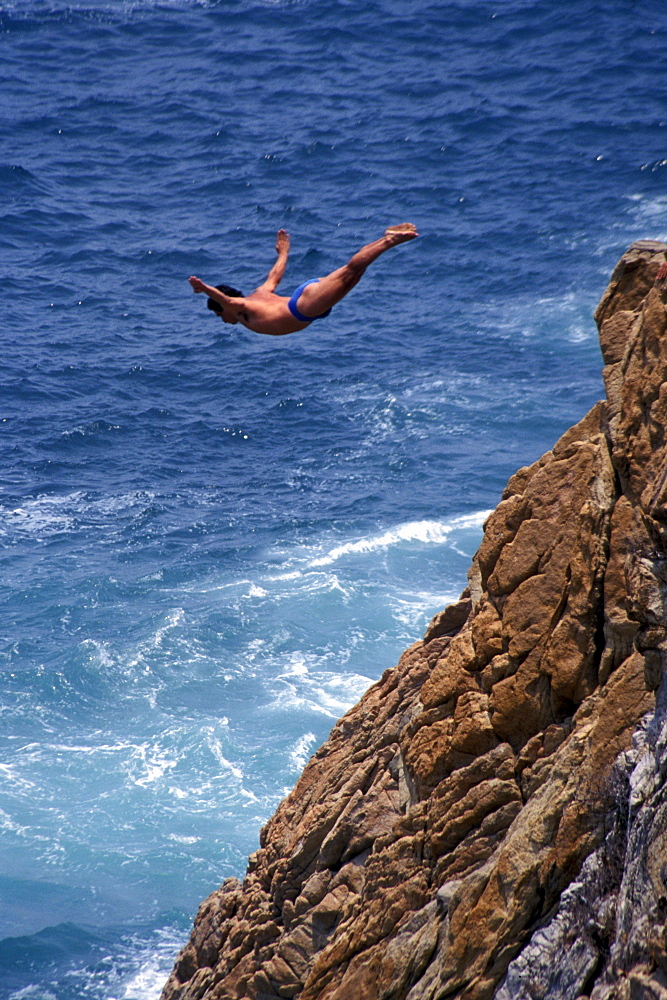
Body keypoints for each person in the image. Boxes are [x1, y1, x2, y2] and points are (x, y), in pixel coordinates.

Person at [188, 224, 418, 336]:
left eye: (219, 314)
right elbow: (274, 277)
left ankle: (389, 241)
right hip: (307, 304)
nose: (222, 319)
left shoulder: (241, 307)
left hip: (303, 308)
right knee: (354, 274)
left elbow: (227, 301)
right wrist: (284, 253)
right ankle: (386, 238)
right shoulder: (259, 293)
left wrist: (204, 288)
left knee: (351, 272)